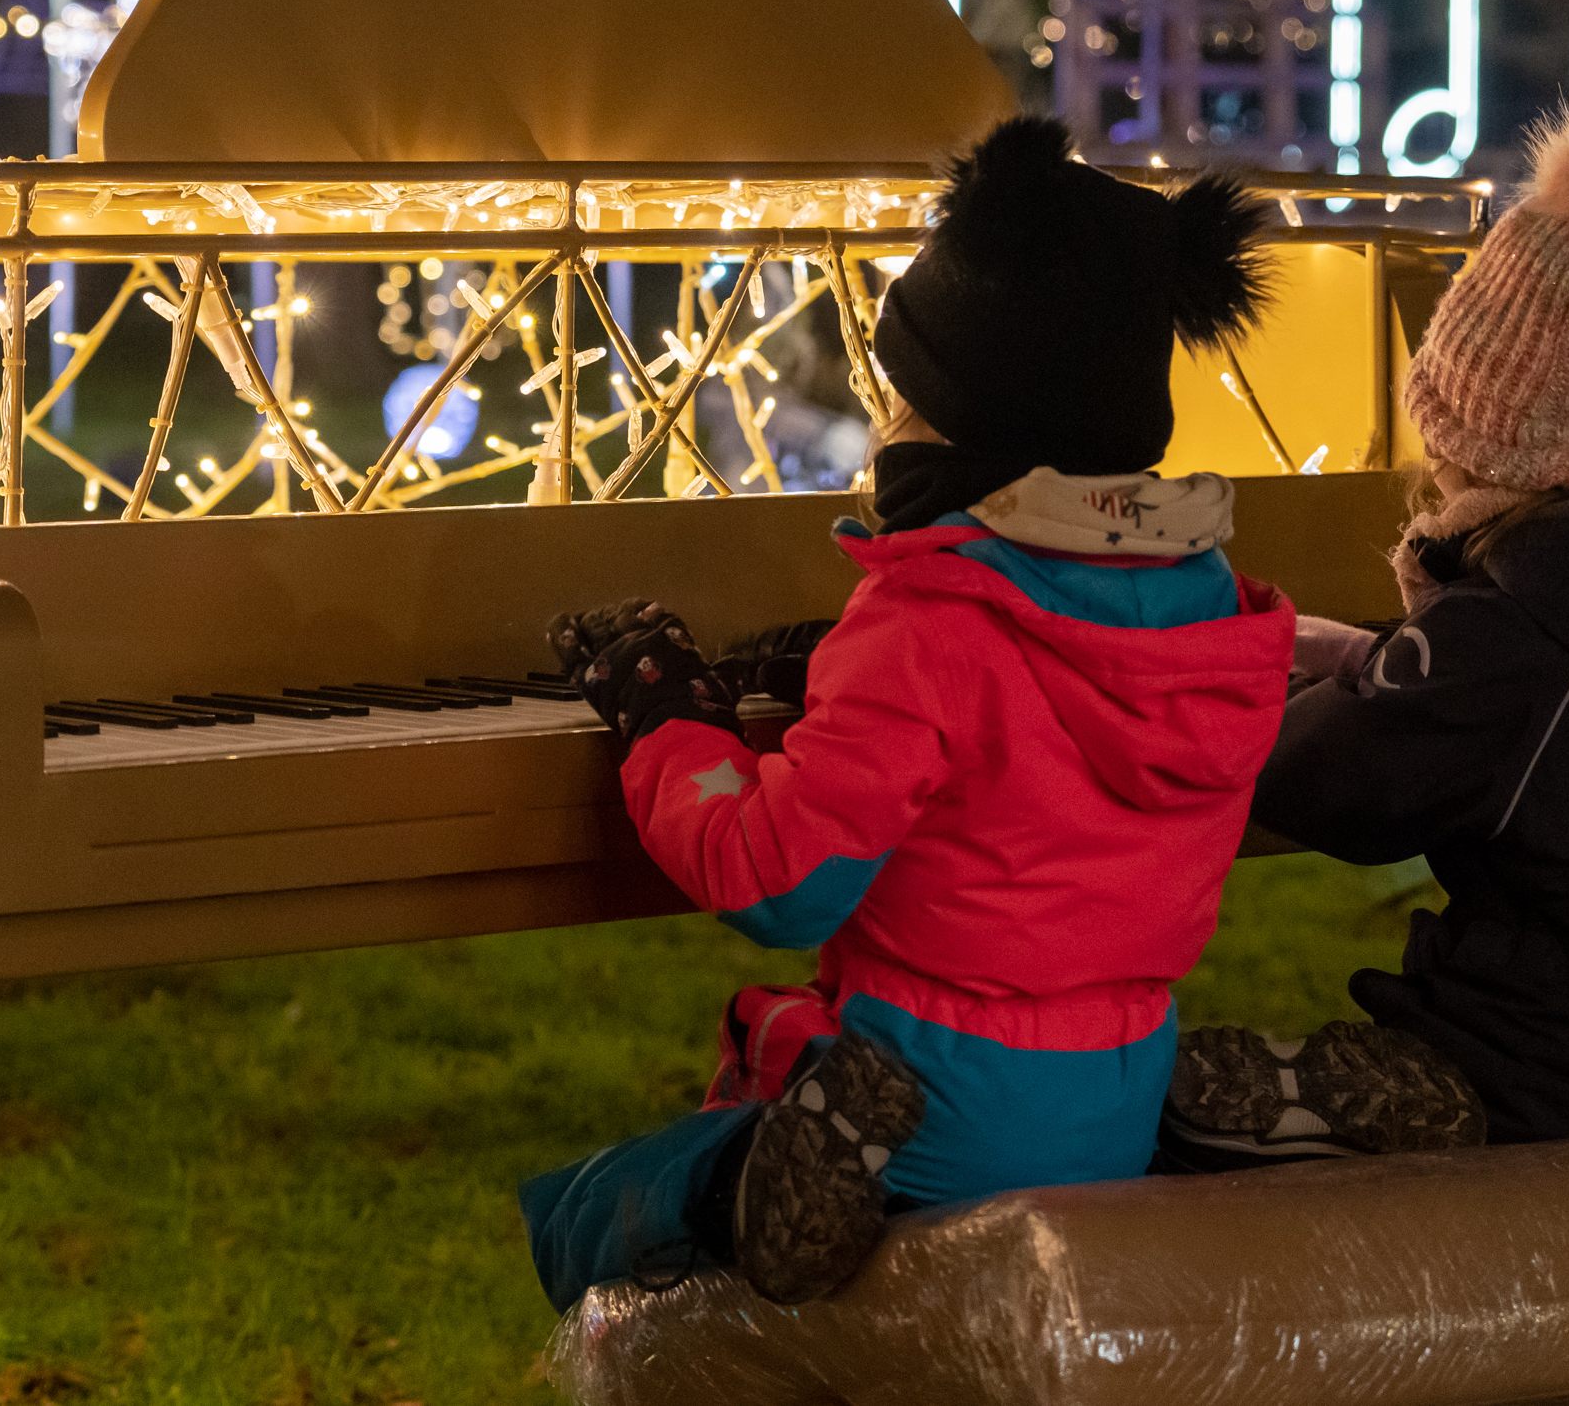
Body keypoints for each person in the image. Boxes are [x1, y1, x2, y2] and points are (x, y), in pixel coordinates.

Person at [523, 115, 1352, 1313]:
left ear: (964, 419)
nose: (882, 423)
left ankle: (765, 1172)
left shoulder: (927, 625)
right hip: (1110, 1090)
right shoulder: (1206, 611)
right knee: (917, 1080)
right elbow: (1035, 740)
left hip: (925, 1106)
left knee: (608, 1198)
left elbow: (779, 880)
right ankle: (1184, 1121)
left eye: (901, 396)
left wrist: (670, 717)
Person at [1186, 101, 1569, 1160]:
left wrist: (1200, 674)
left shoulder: (1508, 630)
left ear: (1493, 435)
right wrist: (1364, 656)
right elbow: (1556, 728)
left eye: (1442, 435)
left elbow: (1310, 785)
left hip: (1534, 1065)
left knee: (1182, 1109)